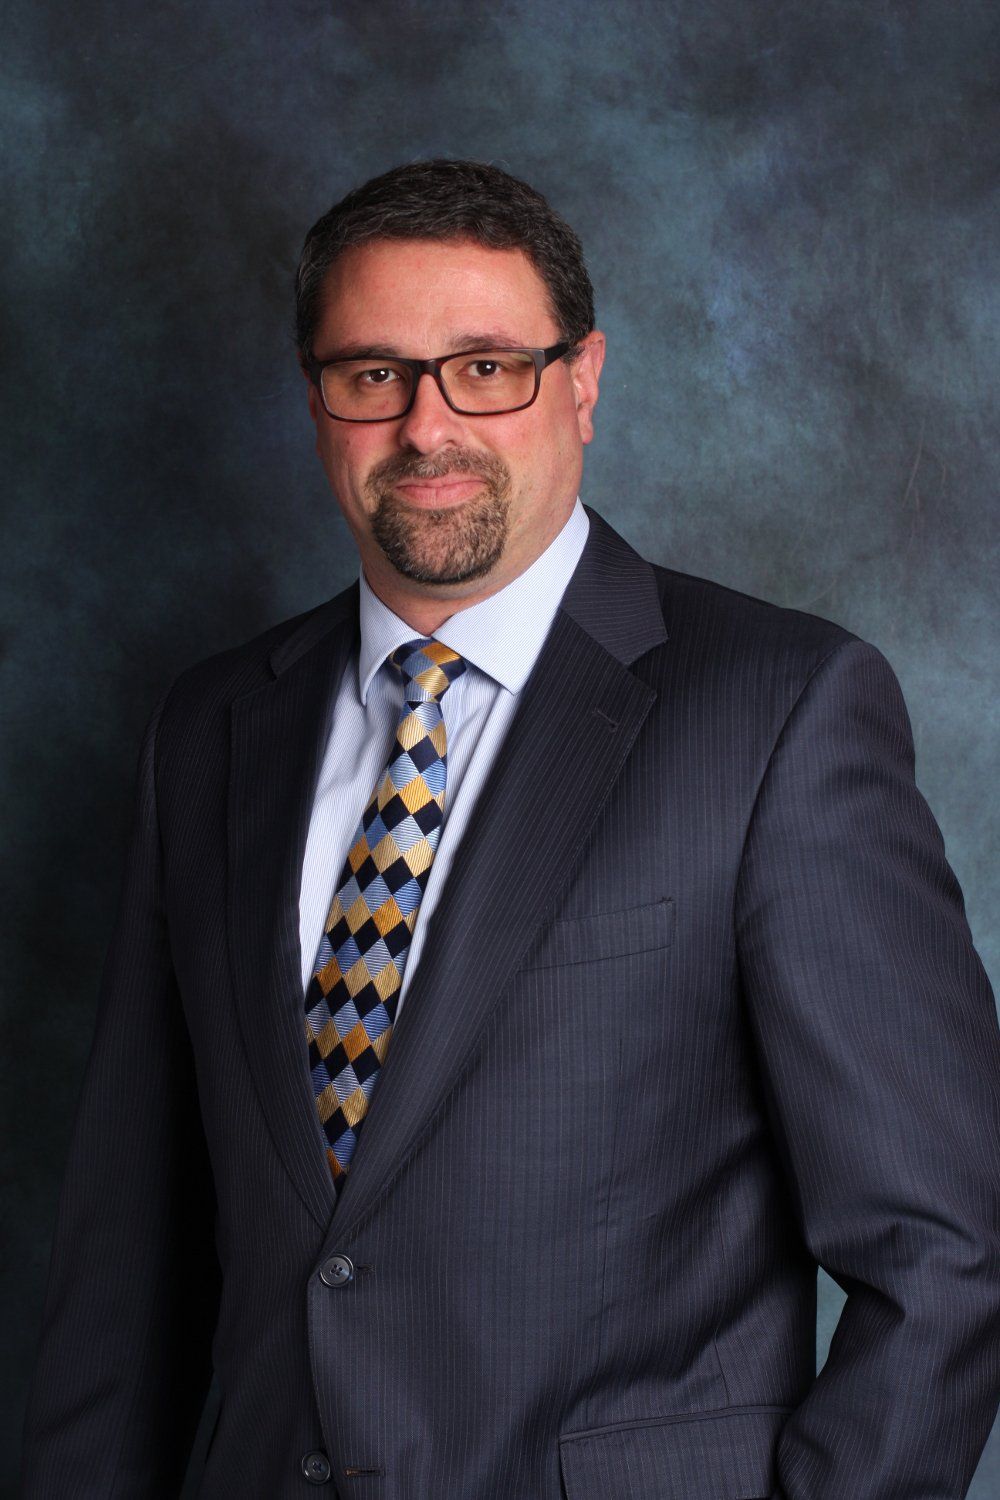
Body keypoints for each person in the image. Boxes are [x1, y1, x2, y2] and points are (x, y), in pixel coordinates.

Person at [21, 159, 1000, 1500]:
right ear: (316, 400)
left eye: (487, 368)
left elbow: (947, 1252)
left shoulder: (778, 709)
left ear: (581, 381)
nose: (428, 426)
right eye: (374, 374)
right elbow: (124, 1276)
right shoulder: (209, 731)